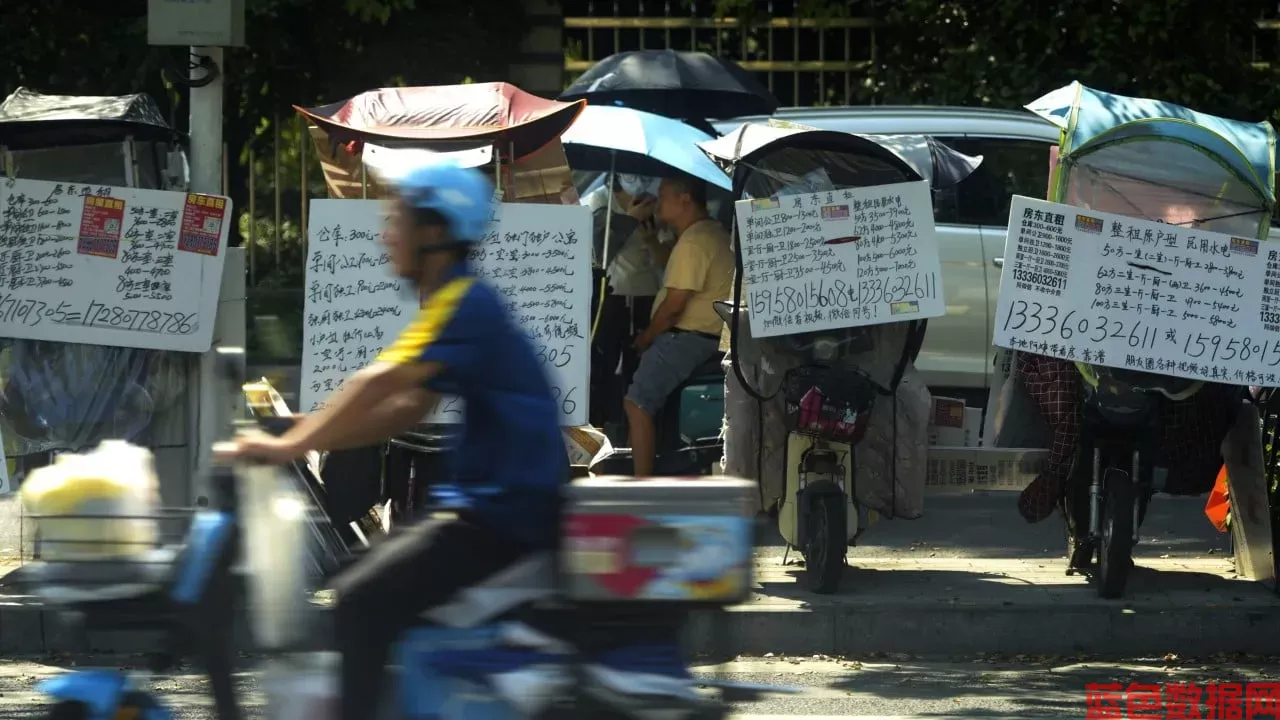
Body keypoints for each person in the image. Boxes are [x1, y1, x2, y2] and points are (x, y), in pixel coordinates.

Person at [215, 157, 568, 720]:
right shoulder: (458, 300)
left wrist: (287, 445)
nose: (387, 235)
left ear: (434, 233)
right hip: (497, 509)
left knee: (359, 599)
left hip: (502, 515)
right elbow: (407, 407)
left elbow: (381, 380)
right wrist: (310, 434)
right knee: (383, 590)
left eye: (397, 220)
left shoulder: (463, 303)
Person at [624, 175, 734, 477]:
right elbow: (670, 264)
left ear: (684, 198)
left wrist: (645, 338)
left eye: (663, 194)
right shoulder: (707, 233)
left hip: (688, 338)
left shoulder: (697, 240)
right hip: (708, 337)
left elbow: (674, 307)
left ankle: (641, 485)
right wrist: (650, 239)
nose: (657, 201)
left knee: (636, 403)